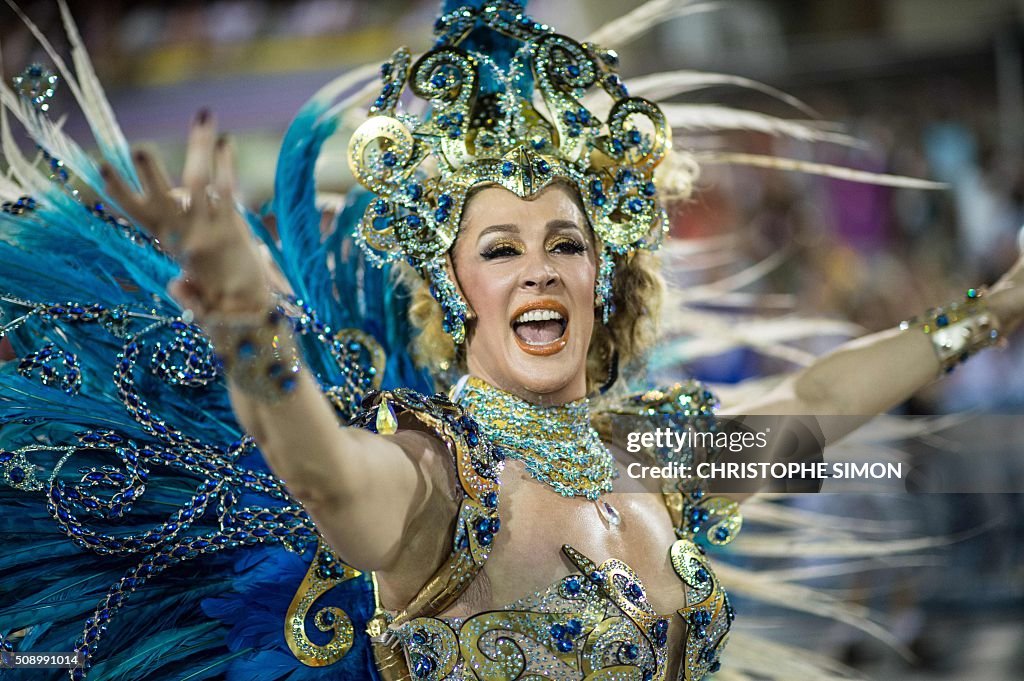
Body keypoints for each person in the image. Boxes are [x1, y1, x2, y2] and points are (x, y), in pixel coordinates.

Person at [1, 1, 1022, 680]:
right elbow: (321, 477)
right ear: (457, 288)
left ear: (599, 275)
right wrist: (242, 325)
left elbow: (815, 405)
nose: (537, 267)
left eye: (563, 243)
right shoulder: (437, 482)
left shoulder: (654, 457)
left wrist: (990, 313)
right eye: (499, 248)